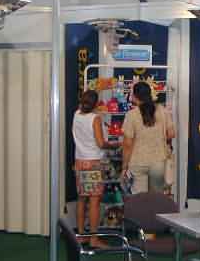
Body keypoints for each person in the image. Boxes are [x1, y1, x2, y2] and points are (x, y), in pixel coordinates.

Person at [72, 90, 119, 248]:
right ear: (96, 103)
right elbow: (100, 143)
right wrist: (114, 145)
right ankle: (93, 239)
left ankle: (80, 235)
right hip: (93, 162)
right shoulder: (95, 118)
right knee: (94, 202)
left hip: (79, 161)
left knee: (81, 199)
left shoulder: (76, 114)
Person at [122, 81, 175, 194]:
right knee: (156, 198)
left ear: (135, 96)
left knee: (140, 199)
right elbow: (171, 134)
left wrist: (124, 166)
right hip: (158, 160)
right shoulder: (162, 111)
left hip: (137, 161)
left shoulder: (131, 115)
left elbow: (127, 144)